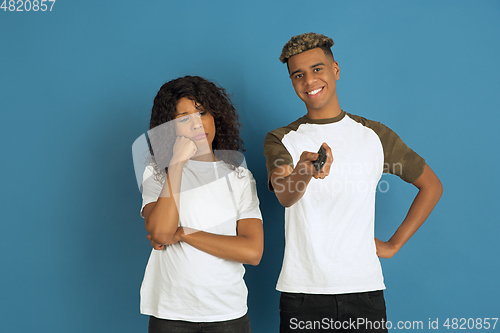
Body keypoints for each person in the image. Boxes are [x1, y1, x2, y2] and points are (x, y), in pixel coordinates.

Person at [263, 33, 443, 332]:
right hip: (303, 294)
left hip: (364, 292)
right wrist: (303, 172)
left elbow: (431, 186)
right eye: (299, 75)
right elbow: (284, 194)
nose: (309, 81)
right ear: (293, 82)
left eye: (317, 69)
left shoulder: (374, 135)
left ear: (335, 70)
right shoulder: (282, 139)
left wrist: (394, 244)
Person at [139, 75, 263, 332]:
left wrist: (185, 233)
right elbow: (161, 232)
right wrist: (176, 164)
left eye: (202, 113)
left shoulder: (239, 176)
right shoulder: (156, 172)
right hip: (171, 314)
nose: (197, 124)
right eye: (184, 118)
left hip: (228, 314)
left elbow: (252, 251)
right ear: (169, 127)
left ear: (215, 116)